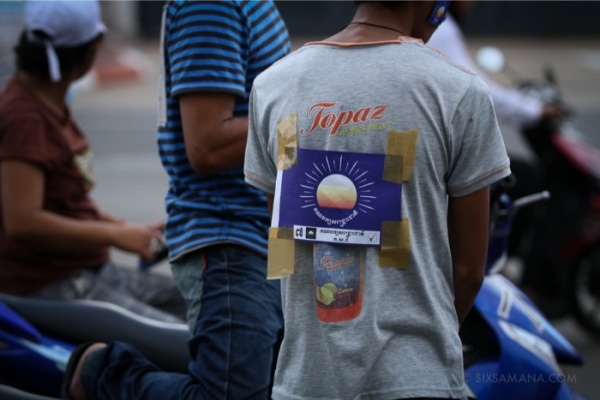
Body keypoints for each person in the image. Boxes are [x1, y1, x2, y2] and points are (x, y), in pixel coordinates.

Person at [244, 1, 510, 399]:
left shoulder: (272, 86)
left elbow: (286, 246)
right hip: (419, 377)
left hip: (307, 381)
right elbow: (470, 271)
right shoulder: (459, 91)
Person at [61, 1, 290, 399]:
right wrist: (307, 116)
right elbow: (207, 144)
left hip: (263, 233)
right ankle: (100, 374)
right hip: (230, 240)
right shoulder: (212, 5)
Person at [0, 0, 185, 323]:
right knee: (177, 338)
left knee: (199, 307)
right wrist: (114, 236)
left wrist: (127, 229)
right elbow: (23, 220)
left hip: (88, 271)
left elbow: (66, 201)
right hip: (53, 284)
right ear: (87, 54)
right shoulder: (24, 118)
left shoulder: (47, 100)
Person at [427, 1, 567, 305]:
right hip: (441, 154)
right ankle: (496, 262)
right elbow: (477, 90)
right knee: (522, 176)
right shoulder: (439, 27)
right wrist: (534, 109)